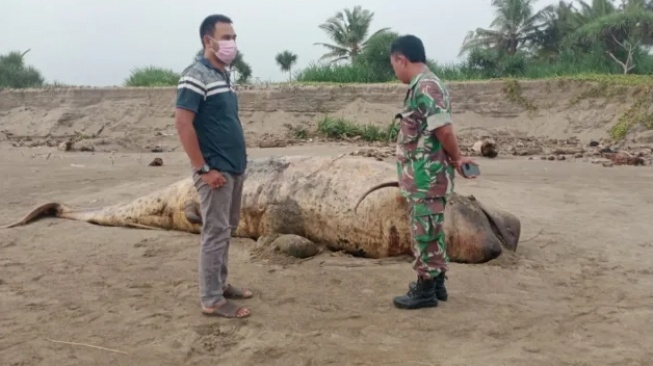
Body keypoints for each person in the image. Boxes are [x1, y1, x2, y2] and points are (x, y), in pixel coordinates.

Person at [388, 34, 478, 310]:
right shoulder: (425, 85)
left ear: (401, 59)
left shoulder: (426, 86)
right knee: (432, 230)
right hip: (425, 174)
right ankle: (437, 282)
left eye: (393, 63)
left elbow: (444, 129)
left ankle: (425, 289)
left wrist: (458, 157)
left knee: (424, 232)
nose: (394, 70)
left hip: (426, 176)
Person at [174, 14, 252, 319]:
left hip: (233, 168)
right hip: (215, 171)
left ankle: (219, 284)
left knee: (226, 229)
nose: (231, 43)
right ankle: (211, 299)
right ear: (208, 40)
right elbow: (183, 123)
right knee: (215, 232)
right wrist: (204, 169)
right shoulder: (195, 75)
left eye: (233, 37)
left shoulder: (222, 76)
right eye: (226, 37)